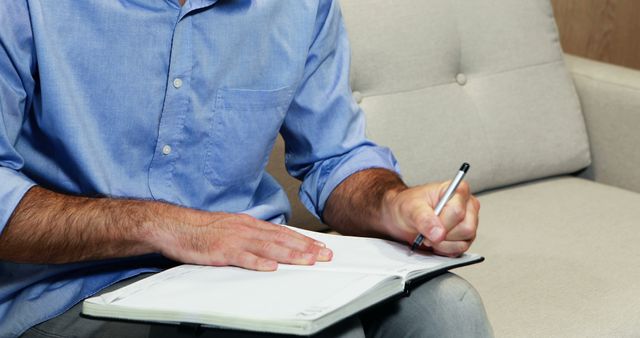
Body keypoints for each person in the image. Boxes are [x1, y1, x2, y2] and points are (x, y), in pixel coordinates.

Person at [0, 1, 493, 337]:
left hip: (253, 275)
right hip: (73, 288)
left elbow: (334, 156)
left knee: (450, 311)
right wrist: (166, 226)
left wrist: (393, 203)